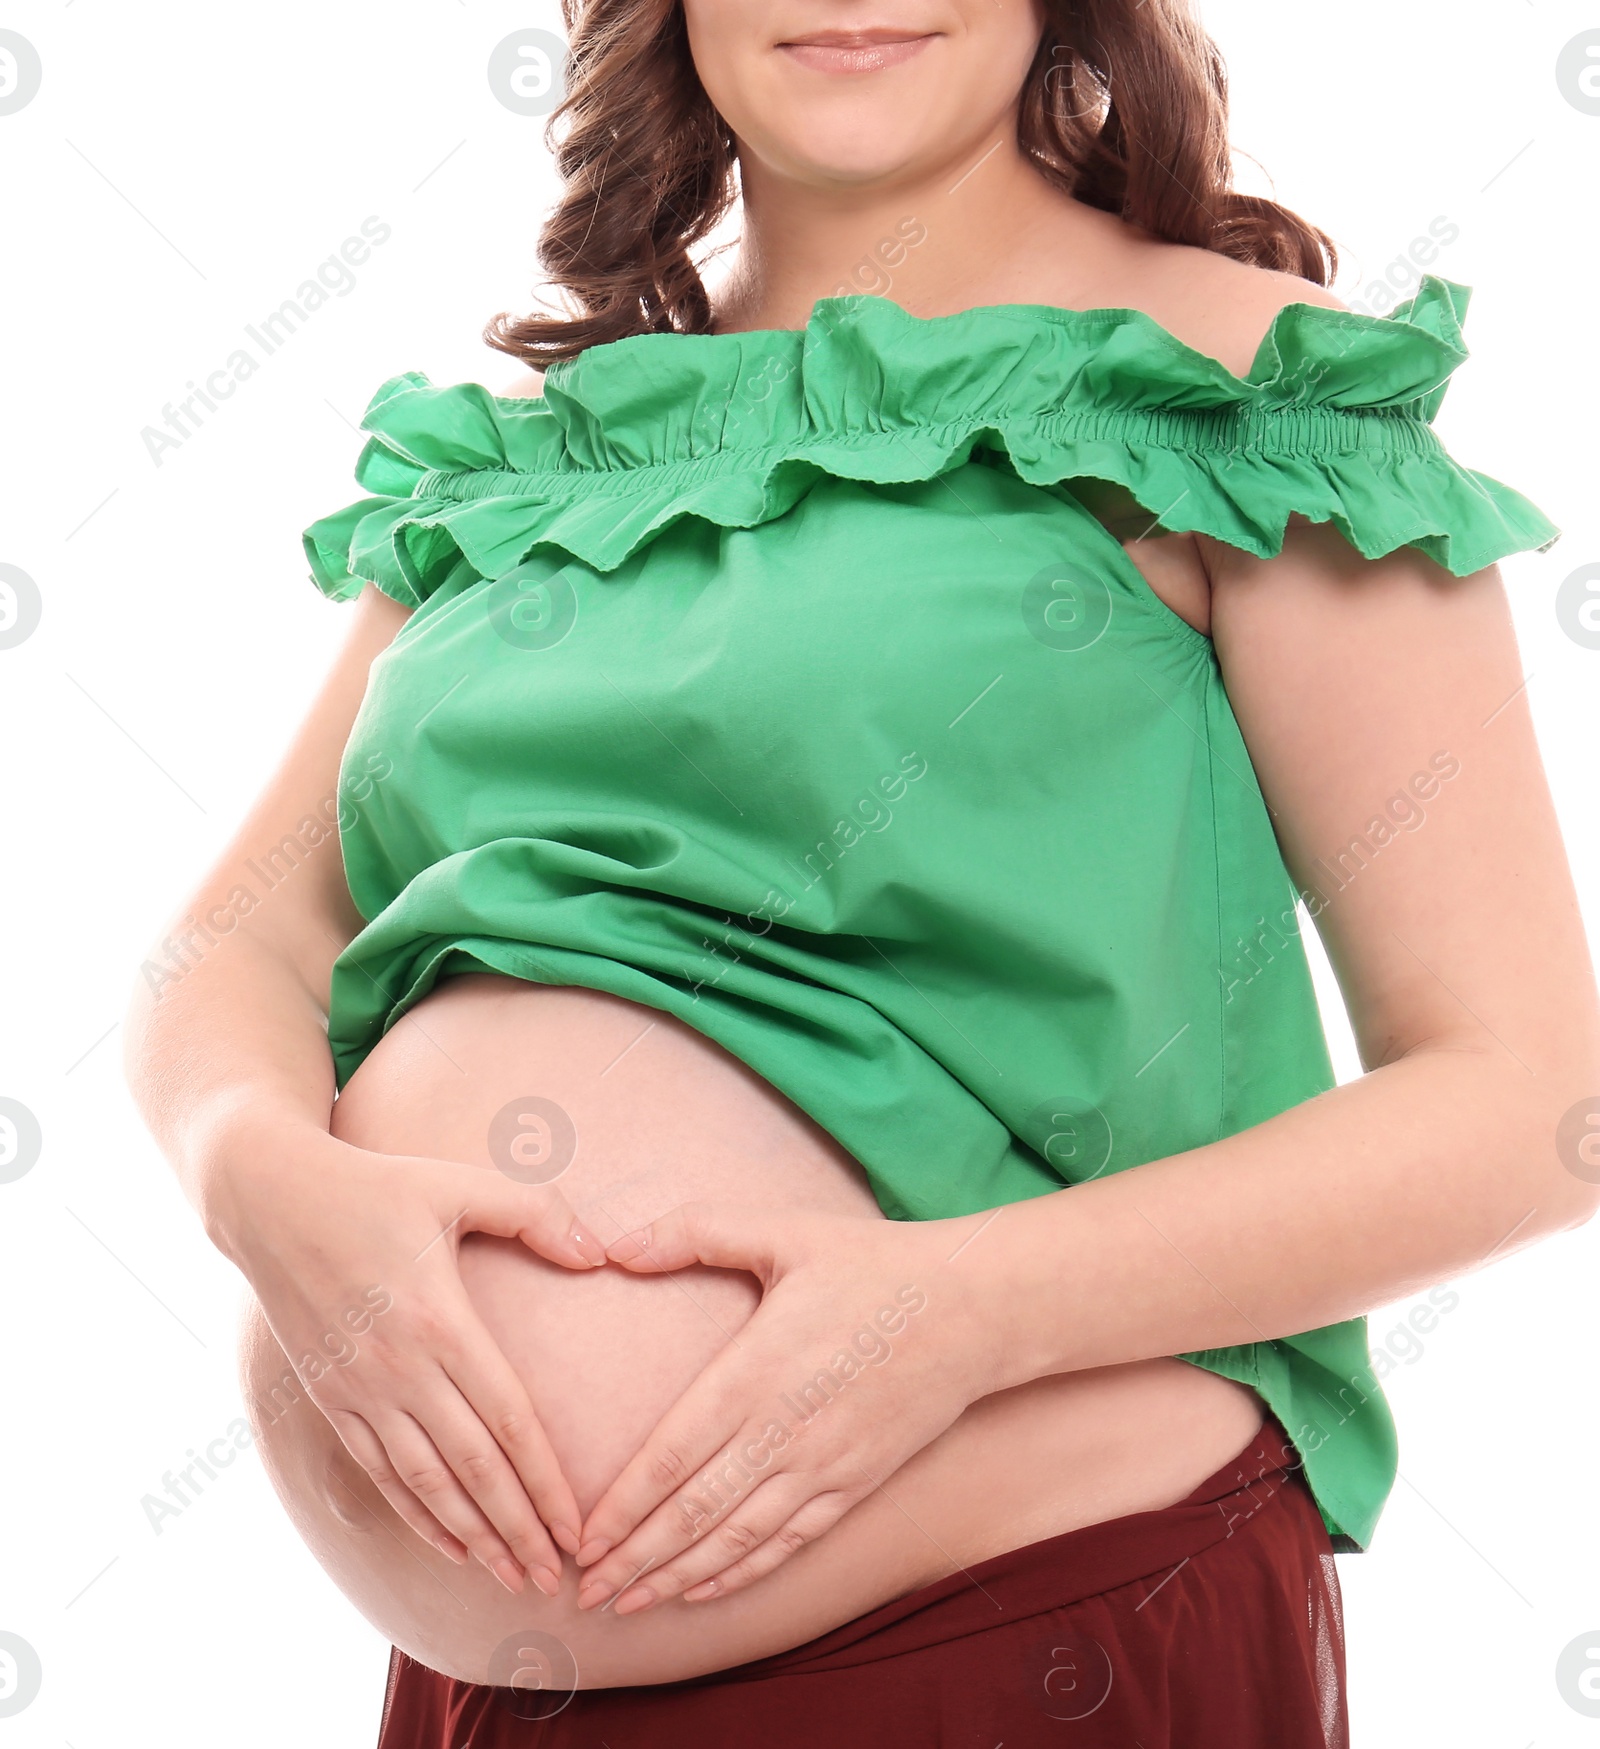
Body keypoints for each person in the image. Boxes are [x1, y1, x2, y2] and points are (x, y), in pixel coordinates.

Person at [123, 1, 1600, 1742]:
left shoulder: (1237, 389)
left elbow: (1533, 1095)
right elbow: (240, 946)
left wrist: (965, 1314)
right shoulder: (544, 448)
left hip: (1026, 1630)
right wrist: (254, 1171)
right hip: (517, 1689)